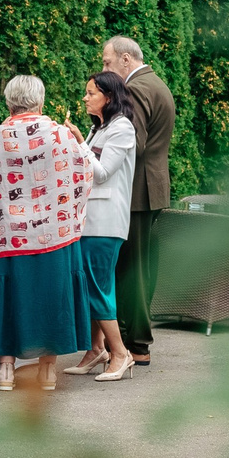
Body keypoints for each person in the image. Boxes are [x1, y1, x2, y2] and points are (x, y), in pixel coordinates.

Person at [0, 74, 96, 393]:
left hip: (10, 235)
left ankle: (6, 371)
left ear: (10, 102)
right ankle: (48, 372)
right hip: (55, 233)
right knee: (52, 297)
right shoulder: (61, 135)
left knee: (9, 298)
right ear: (40, 101)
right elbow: (83, 170)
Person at [101, 35, 177, 365]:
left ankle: (137, 345)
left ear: (126, 60)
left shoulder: (135, 88)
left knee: (133, 268)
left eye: (107, 62)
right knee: (142, 266)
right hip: (152, 188)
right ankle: (136, 341)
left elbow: (135, 143)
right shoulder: (156, 82)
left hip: (137, 192)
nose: (104, 68)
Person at [65, 69, 137, 381]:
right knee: (89, 285)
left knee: (98, 287)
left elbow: (102, 172)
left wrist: (79, 142)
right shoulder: (101, 128)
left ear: (108, 97)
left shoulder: (122, 129)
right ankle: (96, 349)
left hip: (105, 222)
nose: (85, 98)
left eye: (91, 93)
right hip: (90, 221)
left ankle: (121, 353)